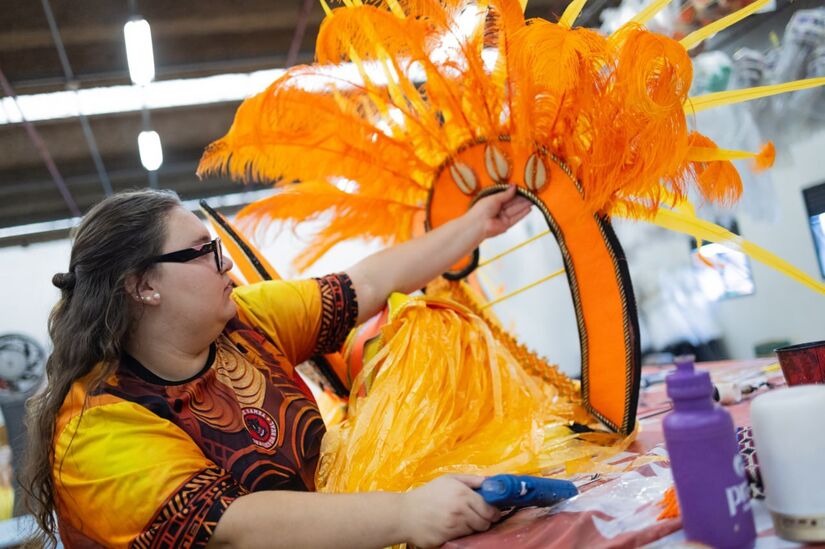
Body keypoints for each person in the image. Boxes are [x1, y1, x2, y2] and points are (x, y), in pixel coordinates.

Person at [23, 185, 531, 548]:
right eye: (203, 253)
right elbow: (235, 526)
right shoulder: (95, 426)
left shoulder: (243, 321)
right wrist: (407, 513)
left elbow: (366, 286)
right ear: (143, 286)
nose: (225, 264)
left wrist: (475, 224)